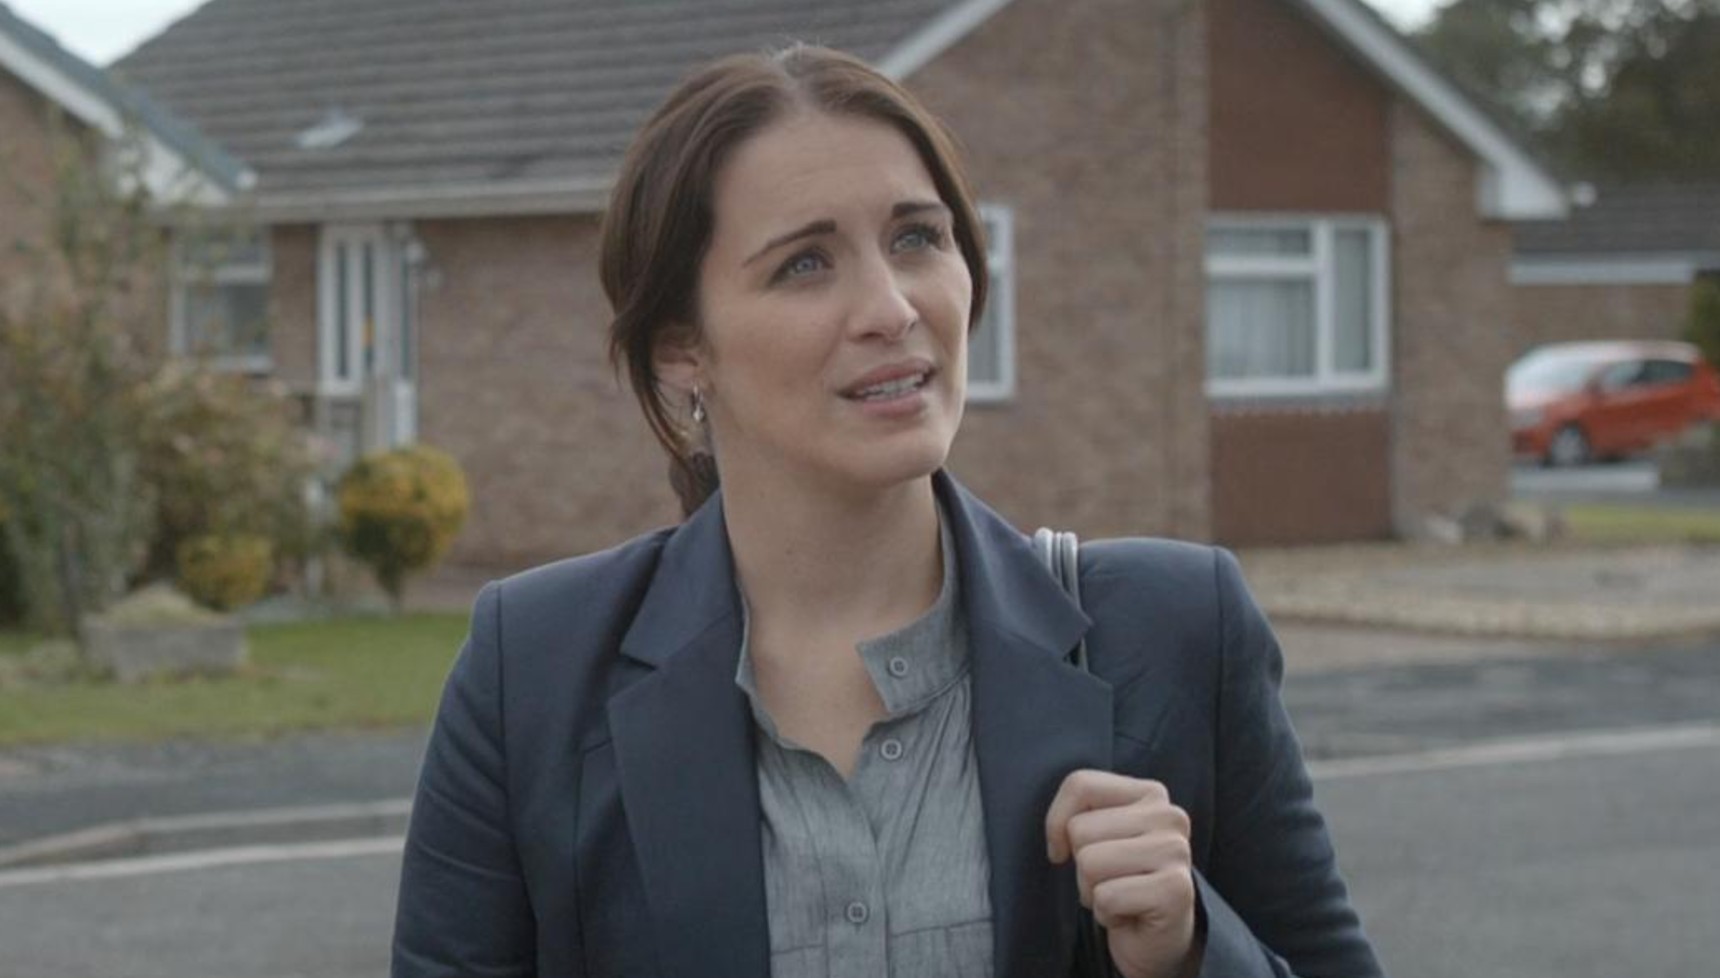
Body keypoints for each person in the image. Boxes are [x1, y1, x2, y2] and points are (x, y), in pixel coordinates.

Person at [391, 44, 1385, 978]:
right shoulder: (534, 669)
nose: (892, 307)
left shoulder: (1174, 630)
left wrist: (1189, 952)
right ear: (680, 348)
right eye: (805, 264)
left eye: (916, 238)